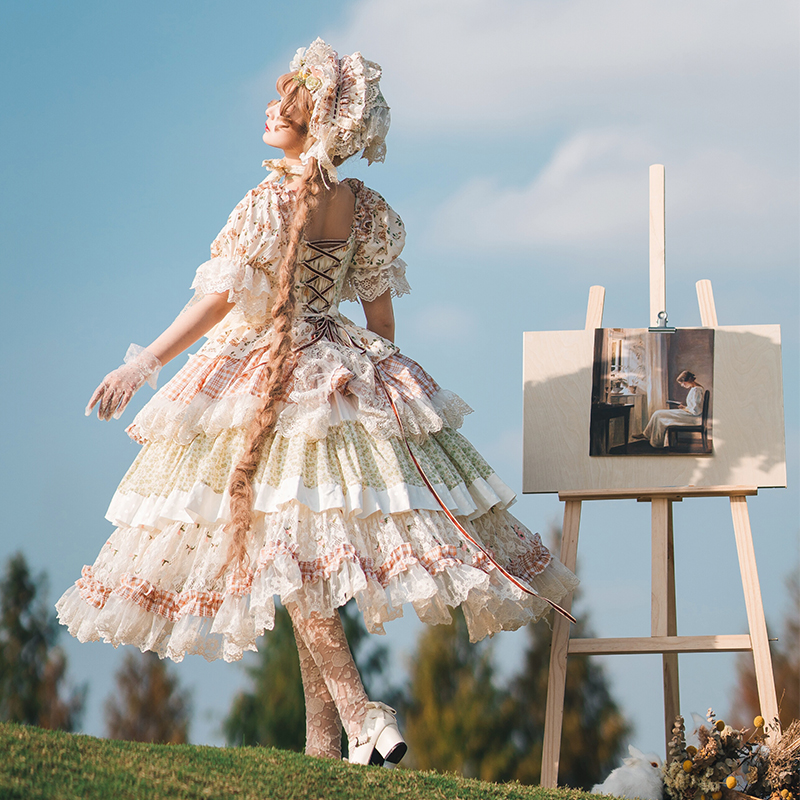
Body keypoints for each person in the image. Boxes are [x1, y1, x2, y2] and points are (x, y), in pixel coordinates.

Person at [56, 38, 579, 766]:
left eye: (289, 103)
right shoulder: (364, 208)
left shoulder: (270, 197)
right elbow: (383, 323)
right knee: (300, 557)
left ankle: (362, 714)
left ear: (318, 121)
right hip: (337, 369)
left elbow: (217, 301)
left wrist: (144, 362)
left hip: (269, 377)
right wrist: (372, 373)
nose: (272, 109)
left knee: (291, 557)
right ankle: (323, 745)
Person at [640, 370, 706, 448]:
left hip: (693, 418)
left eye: (682, 383)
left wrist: (685, 409)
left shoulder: (697, 390)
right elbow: (694, 407)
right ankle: (649, 436)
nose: (682, 385)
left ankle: (652, 439)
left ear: (688, 380)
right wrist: (684, 407)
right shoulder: (694, 389)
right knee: (658, 414)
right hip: (690, 414)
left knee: (658, 414)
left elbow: (696, 411)